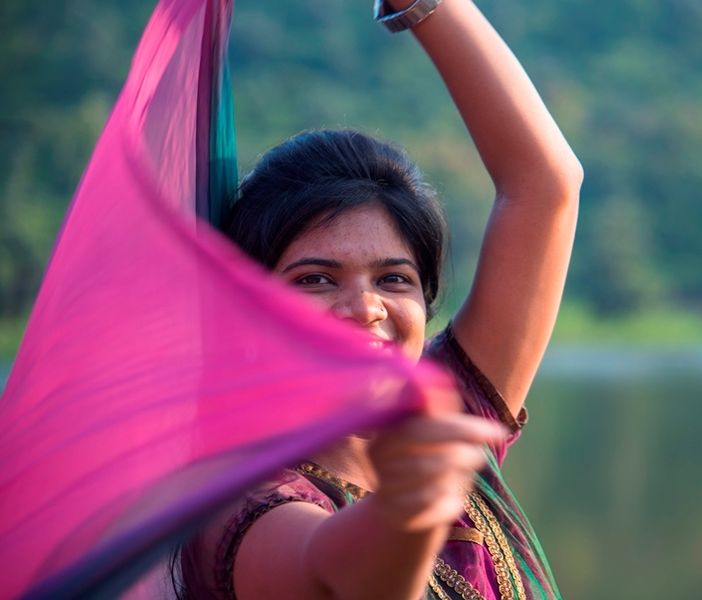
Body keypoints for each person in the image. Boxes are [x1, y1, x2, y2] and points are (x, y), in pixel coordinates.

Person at [179, 0, 582, 598]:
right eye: (316, 279)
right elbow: (340, 574)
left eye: (394, 279)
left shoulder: (451, 416)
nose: (365, 307)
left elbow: (546, 186)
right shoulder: (242, 507)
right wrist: (409, 503)